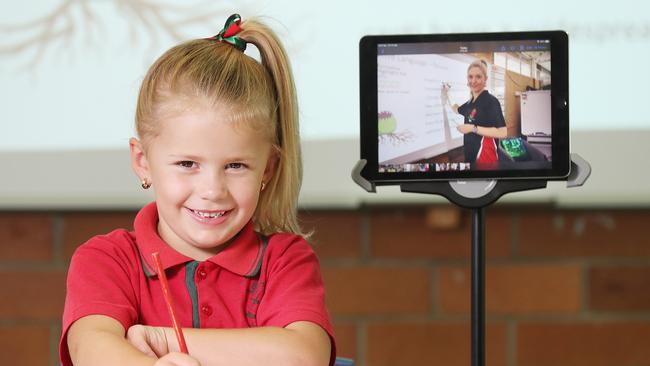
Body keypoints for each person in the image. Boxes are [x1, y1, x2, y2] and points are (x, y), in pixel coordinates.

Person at [60, 14, 335, 366]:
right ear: (143, 161)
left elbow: (304, 356)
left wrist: (162, 339)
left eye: (235, 166)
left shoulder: (285, 260)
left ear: (268, 169)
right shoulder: (107, 259)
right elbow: (92, 350)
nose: (212, 190)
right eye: (188, 164)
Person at [445, 59, 507, 165]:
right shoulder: (470, 103)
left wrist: (472, 128)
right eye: (470, 77)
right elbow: (456, 109)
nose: (473, 81)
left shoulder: (491, 101)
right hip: (470, 156)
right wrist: (448, 93)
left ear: (485, 79)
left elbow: (502, 132)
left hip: (486, 159)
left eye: (478, 77)